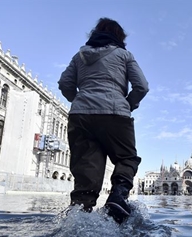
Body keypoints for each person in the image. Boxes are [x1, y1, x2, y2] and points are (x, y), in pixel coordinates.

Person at [58, 17, 149, 224]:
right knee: (126, 158)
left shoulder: (79, 56)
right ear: (119, 37)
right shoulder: (124, 55)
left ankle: (79, 215)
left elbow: (65, 83)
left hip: (80, 117)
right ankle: (118, 195)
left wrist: (80, 100)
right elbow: (142, 86)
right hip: (115, 113)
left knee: (86, 168)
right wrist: (129, 104)